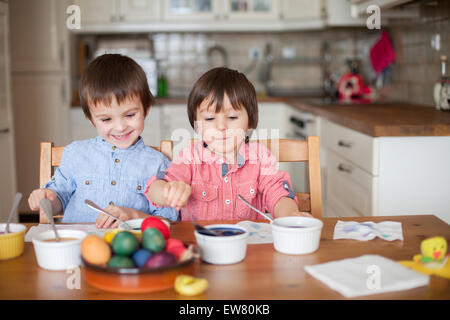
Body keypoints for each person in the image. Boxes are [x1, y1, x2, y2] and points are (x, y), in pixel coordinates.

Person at [28, 54, 178, 227]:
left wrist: (133, 215)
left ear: (146, 110)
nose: (120, 127)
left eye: (130, 115)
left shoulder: (158, 163)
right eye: (106, 119)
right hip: (77, 246)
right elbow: (57, 201)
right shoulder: (76, 154)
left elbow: (168, 221)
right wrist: (46, 200)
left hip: (131, 249)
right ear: (91, 119)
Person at [145, 67, 312, 220]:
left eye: (232, 117)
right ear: (196, 124)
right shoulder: (190, 157)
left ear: (250, 122)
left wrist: (290, 215)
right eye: (209, 118)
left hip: (249, 246)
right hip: (200, 245)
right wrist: (167, 192)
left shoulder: (260, 157)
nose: (221, 127)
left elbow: (278, 193)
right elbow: (156, 188)